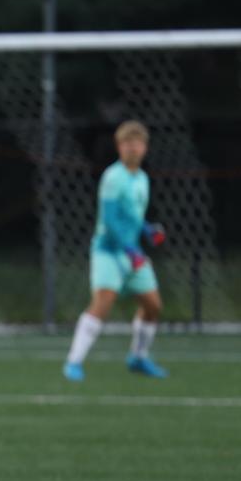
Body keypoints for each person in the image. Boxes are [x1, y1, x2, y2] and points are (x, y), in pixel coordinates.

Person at [63, 119, 169, 382]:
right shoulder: (113, 177)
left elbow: (132, 215)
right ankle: (74, 362)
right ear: (119, 146)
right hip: (108, 251)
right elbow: (110, 220)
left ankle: (138, 357)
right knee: (103, 302)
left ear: (145, 147)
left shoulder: (142, 179)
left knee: (153, 306)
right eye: (127, 143)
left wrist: (147, 230)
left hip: (131, 251)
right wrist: (131, 250)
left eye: (138, 143)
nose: (133, 148)